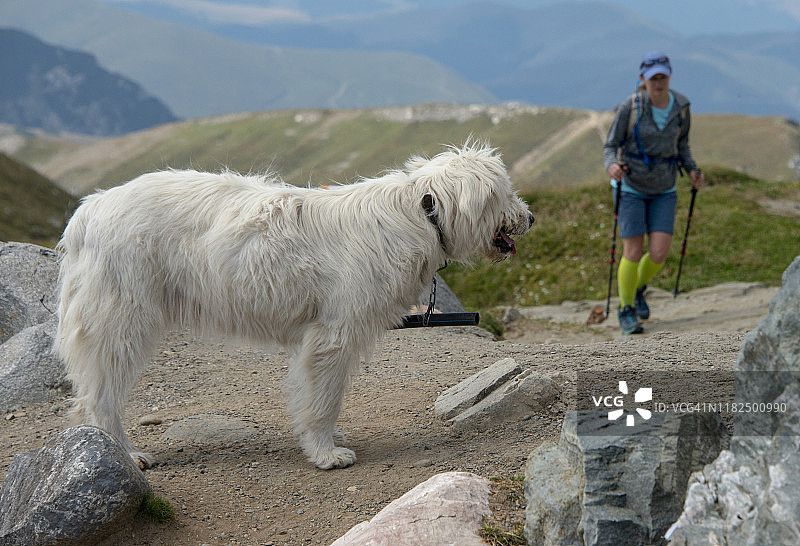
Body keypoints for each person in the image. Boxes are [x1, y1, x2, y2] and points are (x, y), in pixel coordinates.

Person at [603, 50, 704, 334]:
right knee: (632, 250)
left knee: (659, 252)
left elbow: (682, 146)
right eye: (653, 78)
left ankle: (637, 288)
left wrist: (693, 170)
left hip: (665, 187)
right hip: (631, 186)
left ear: (669, 76)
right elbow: (611, 146)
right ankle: (626, 310)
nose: (658, 82)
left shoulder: (681, 108)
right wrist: (612, 166)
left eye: (663, 76)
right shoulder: (630, 107)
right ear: (642, 79)